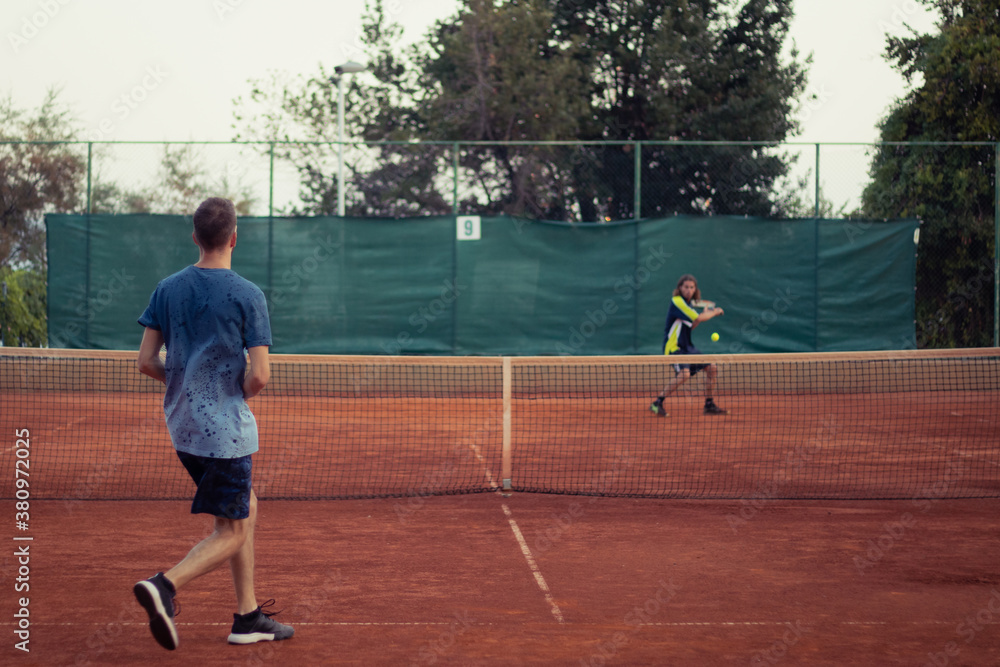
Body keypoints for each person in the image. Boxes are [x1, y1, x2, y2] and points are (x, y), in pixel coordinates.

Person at [133, 197, 293, 650]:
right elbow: (259, 374)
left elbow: (146, 360)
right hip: (224, 433)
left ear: (195, 237)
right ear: (234, 237)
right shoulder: (247, 295)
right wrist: (230, 393)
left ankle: (248, 617)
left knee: (247, 506)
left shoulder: (167, 288)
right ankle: (164, 585)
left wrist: (183, 381)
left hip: (182, 428)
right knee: (234, 529)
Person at [650, 273, 728, 417]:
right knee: (684, 374)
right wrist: (714, 312)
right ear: (680, 288)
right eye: (686, 287)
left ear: (695, 290)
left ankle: (709, 404)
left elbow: (691, 325)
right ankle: (657, 402)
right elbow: (698, 317)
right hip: (674, 348)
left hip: (688, 348)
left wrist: (703, 315)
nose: (689, 290)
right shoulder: (676, 301)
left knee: (712, 368)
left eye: (692, 287)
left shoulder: (688, 306)